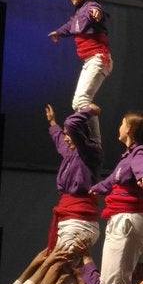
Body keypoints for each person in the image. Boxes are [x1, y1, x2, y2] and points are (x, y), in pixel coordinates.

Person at [92, 111, 143, 284]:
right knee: (108, 283)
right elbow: (111, 181)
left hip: (128, 219)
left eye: (122, 123)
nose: (119, 127)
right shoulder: (126, 158)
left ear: (129, 129)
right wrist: (94, 189)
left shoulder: (140, 152)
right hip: (122, 218)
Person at [48, 0, 110, 139]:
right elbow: (70, 26)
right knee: (77, 103)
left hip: (99, 58)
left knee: (82, 100)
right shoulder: (79, 13)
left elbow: (96, 10)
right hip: (90, 61)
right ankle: (87, 138)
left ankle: (95, 142)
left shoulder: (90, 7)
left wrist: (98, 13)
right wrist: (59, 32)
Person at [45, 104, 103, 252]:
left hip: (79, 215)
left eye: (69, 135)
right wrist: (52, 123)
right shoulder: (71, 153)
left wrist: (90, 111)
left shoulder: (90, 153)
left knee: (61, 265)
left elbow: (71, 124)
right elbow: (59, 139)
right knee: (59, 265)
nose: (65, 139)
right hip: (67, 213)